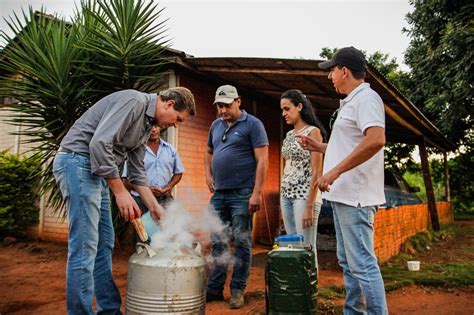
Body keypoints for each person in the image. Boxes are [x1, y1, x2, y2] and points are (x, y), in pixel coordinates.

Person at [52, 87, 196, 315]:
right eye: (178, 118)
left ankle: (109, 310)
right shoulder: (134, 101)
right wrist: (120, 192)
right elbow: (99, 144)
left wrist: (154, 206)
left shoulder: (147, 124)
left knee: (104, 243)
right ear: (168, 104)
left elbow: (138, 173)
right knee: (85, 246)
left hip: (95, 172)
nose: (176, 124)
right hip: (77, 162)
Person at [298, 47, 388, 314]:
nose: (330, 77)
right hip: (342, 196)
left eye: (332, 71)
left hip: (355, 197)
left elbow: (376, 140)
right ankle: (354, 311)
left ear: (344, 71)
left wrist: (334, 172)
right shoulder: (352, 102)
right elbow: (349, 146)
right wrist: (319, 146)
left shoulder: (367, 99)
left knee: (361, 263)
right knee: (348, 262)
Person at [204, 85, 269, 309]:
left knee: (241, 241)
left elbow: (262, 159)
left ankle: (237, 290)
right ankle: (214, 289)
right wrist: (208, 174)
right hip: (219, 194)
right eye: (219, 106)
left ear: (238, 102)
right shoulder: (216, 125)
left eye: (227, 105)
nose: (223, 110)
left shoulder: (253, 124)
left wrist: (257, 192)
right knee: (217, 241)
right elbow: (209, 152)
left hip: (243, 193)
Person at [279, 89, 326, 268]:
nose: (284, 113)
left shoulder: (313, 132)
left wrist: (309, 206)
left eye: (287, 108)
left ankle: (309, 293)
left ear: (299, 106)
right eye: (282, 110)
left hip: (304, 196)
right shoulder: (289, 135)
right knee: (293, 246)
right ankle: (298, 292)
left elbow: (316, 171)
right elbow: (288, 166)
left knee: (306, 247)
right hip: (286, 195)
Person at [122, 125, 184, 212]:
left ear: (160, 127)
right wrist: (146, 190)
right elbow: (125, 182)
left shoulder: (171, 149)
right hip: (141, 201)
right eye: (150, 127)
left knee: (170, 225)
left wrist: (170, 186)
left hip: (165, 199)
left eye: (156, 126)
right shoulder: (135, 150)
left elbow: (179, 172)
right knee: (141, 226)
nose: (153, 130)